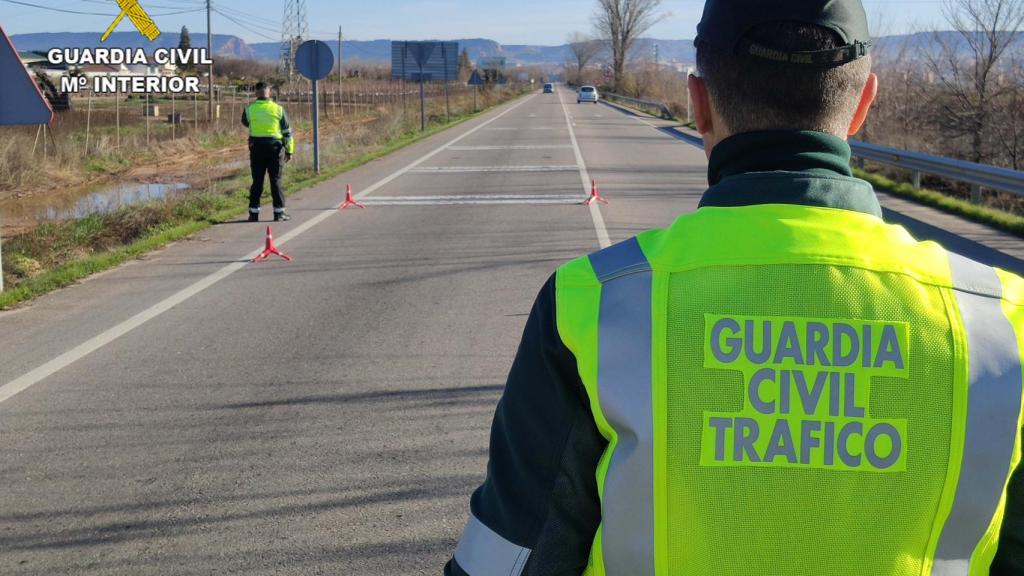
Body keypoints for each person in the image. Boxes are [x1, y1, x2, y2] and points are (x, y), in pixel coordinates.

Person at [444, 1, 1024, 575]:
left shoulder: (593, 303)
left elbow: (509, 559)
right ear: (862, 105)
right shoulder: (1002, 320)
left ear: (698, 105)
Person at [242, 81, 294, 222]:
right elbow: (287, 132)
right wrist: (289, 151)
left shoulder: (249, 109)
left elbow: (245, 123)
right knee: (275, 181)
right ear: (269, 92)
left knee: (257, 181)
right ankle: (279, 213)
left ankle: (253, 214)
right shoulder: (278, 109)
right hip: (275, 149)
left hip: (257, 149)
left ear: (255, 93)